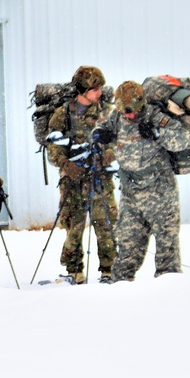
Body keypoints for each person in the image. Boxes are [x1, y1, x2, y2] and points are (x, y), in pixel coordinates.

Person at [93, 81, 189, 281]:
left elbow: (182, 139)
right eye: (125, 112)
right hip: (131, 193)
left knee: (166, 249)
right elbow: (101, 126)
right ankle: (120, 290)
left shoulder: (155, 116)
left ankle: (170, 291)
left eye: (131, 112)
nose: (129, 116)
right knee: (127, 246)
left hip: (160, 192)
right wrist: (99, 134)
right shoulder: (118, 116)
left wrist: (157, 134)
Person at [46, 65, 118, 284]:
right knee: (74, 227)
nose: (99, 93)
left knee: (105, 224)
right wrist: (66, 165)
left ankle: (109, 269)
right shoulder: (63, 114)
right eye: (95, 88)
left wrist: (106, 156)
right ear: (83, 89)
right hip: (73, 180)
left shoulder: (107, 112)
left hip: (100, 179)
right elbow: (53, 146)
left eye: (101, 88)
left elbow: (118, 140)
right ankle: (74, 270)